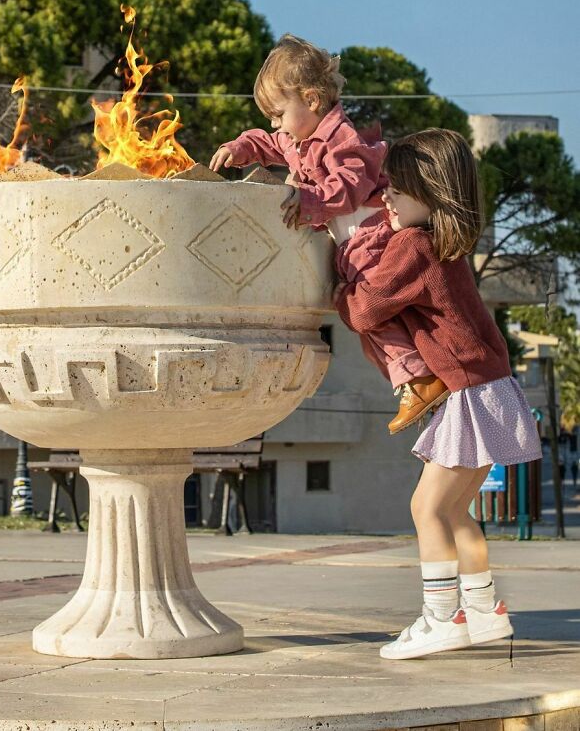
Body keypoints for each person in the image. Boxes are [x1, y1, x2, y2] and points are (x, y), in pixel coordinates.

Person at [334, 128, 542, 660]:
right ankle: (485, 612)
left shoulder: (413, 245)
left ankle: (441, 619)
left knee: (426, 507)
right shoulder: (447, 246)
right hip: (496, 389)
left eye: (397, 191)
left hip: (470, 395)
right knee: (455, 511)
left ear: (428, 192)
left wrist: (339, 284)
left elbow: (365, 310)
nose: (386, 199)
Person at [209, 34, 448, 432]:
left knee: (369, 310)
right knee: (356, 314)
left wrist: (308, 200)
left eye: (279, 112)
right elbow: (267, 142)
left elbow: (350, 185)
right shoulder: (295, 137)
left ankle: (419, 376)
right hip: (350, 239)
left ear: (312, 100)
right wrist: (240, 147)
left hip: (368, 234)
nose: (274, 123)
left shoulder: (342, 138)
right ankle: (410, 380)